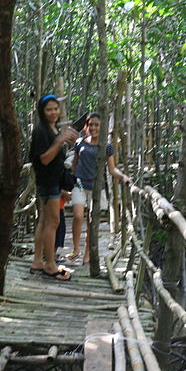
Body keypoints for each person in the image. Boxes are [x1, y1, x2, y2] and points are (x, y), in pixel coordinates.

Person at [67, 112, 131, 265]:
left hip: (97, 187)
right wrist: (68, 182)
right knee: (77, 216)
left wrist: (123, 177)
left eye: (97, 125)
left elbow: (112, 169)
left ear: (101, 127)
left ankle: (87, 254)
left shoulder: (106, 147)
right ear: (86, 127)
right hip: (79, 184)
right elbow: (74, 165)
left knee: (91, 220)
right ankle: (76, 249)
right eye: (91, 125)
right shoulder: (80, 143)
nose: (93, 128)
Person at [29, 94, 78, 280]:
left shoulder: (53, 127)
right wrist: (59, 141)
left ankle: (37, 261)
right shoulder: (41, 130)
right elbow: (44, 158)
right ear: (42, 111)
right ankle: (50, 265)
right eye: (49, 109)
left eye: (55, 109)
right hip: (48, 181)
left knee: (44, 221)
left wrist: (64, 141)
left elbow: (56, 153)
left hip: (53, 180)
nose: (53, 112)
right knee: (53, 223)